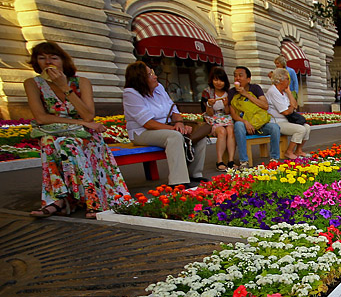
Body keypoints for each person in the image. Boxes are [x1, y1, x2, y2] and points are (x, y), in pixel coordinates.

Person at [25, 41, 128, 218]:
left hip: (82, 136)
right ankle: (56, 200)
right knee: (50, 142)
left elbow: (88, 115)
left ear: (63, 61)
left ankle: (90, 199)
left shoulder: (81, 83)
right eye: (42, 58)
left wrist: (65, 88)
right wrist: (81, 123)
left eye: (53, 58)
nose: (48, 62)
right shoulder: (33, 84)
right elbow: (41, 118)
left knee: (67, 144)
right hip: (56, 133)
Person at [123, 61, 208, 188]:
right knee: (174, 137)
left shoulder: (159, 88)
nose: (155, 76)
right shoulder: (131, 94)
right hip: (142, 133)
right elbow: (148, 123)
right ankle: (178, 181)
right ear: (140, 79)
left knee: (199, 135)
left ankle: (194, 174)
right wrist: (175, 129)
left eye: (153, 72)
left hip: (167, 127)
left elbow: (174, 111)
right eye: (150, 74)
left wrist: (180, 124)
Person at [229, 66, 281, 167]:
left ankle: (274, 159)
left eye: (240, 75)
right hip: (244, 125)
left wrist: (246, 94)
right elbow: (233, 114)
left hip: (259, 124)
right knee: (238, 125)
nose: (237, 78)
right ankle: (244, 161)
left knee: (275, 128)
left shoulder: (255, 88)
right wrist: (246, 122)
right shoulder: (232, 92)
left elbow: (265, 106)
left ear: (248, 79)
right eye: (235, 76)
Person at [267, 68, 312, 159]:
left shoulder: (284, 92)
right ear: (281, 80)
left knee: (307, 127)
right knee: (300, 129)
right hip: (277, 122)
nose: (289, 81)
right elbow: (286, 111)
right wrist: (291, 107)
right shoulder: (273, 91)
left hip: (286, 120)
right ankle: (288, 152)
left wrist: (289, 93)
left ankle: (298, 151)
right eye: (287, 79)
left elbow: (295, 105)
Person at [201, 67, 236, 171]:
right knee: (221, 131)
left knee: (230, 130)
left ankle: (231, 161)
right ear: (212, 80)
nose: (219, 83)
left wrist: (226, 105)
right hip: (212, 118)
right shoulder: (207, 92)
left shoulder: (229, 93)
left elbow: (228, 111)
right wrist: (209, 105)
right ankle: (219, 161)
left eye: (221, 80)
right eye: (216, 80)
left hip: (225, 117)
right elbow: (208, 113)